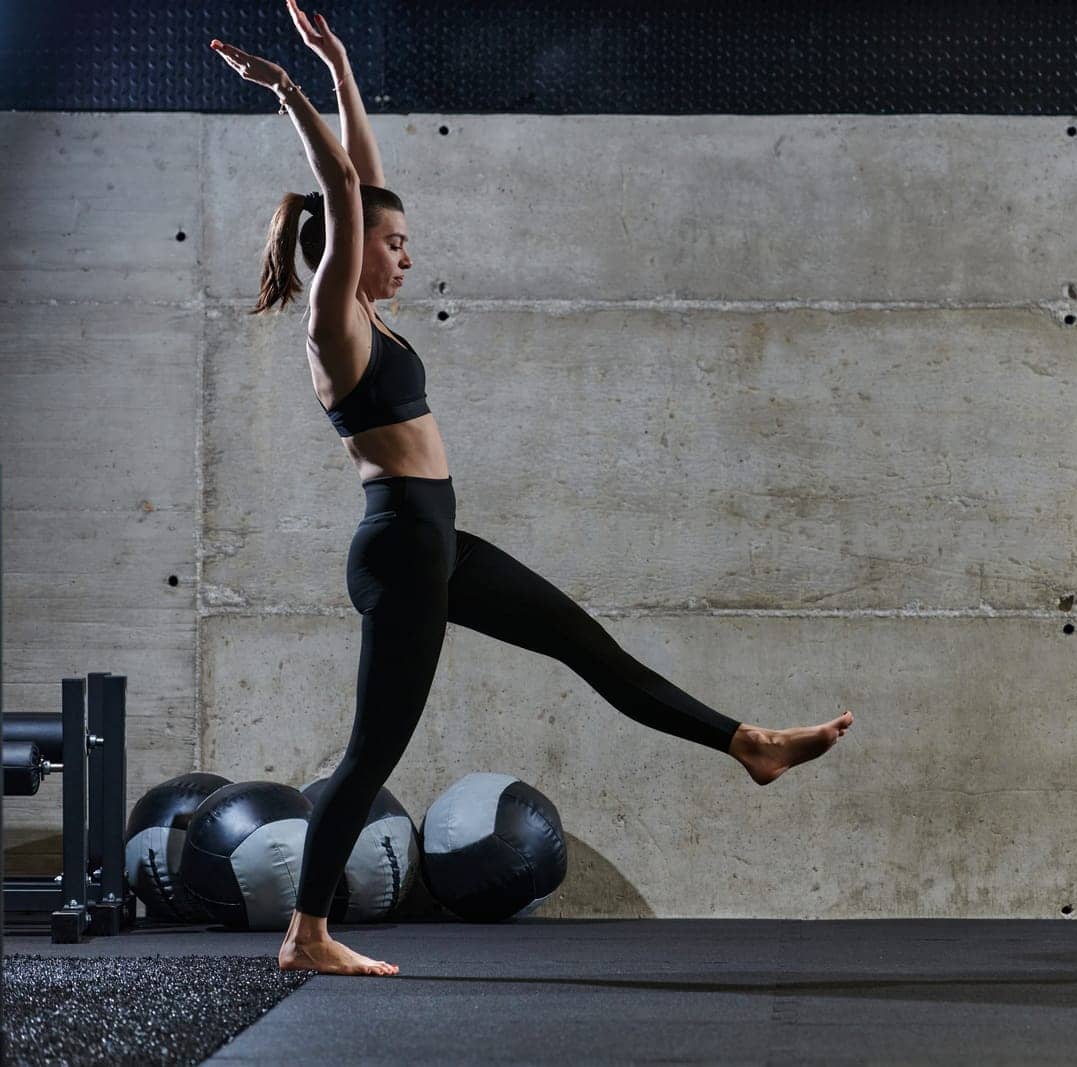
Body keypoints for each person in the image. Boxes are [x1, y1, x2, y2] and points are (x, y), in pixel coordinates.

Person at [210, 2, 853, 977]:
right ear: (351, 249)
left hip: (436, 542)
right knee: (368, 755)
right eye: (396, 245)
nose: (407, 255)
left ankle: (748, 740)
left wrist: (340, 64)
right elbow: (344, 187)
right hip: (399, 550)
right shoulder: (331, 323)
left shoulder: (372, 318)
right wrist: (294, 90)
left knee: (586, 646)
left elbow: (365, 178)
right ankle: (306, 932)